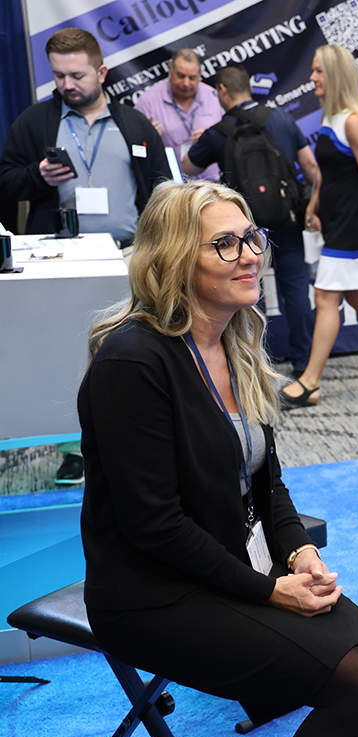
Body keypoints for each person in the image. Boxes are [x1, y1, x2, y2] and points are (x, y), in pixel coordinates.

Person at [79, 180, 358, 737]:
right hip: (149, 595)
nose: (250, 255)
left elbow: (268, 485)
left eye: (251, 238)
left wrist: (301, 555)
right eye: (224, 244)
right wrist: (270, 592)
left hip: (227, 567)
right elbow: (153, 525)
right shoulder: (133, 361)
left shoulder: (235, 341)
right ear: (176, 258)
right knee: (356, 680)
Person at [0, 26, 170, 486]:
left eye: (76, 75)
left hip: (130, 258)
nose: (66, 84)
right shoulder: (36, 122)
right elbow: (6, 180)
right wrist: (38, 177)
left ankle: (140, 442)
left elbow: (160, 189)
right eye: (58, 76)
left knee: (139, 355)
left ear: (102, 71)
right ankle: (73, 450)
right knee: (67, 356)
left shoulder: (134, 124)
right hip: (60, 260)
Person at [280, 44, 358, 408]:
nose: (312, 78)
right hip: (335, 222)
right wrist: (314, 206)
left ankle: (309, 382)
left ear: (335, 75)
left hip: (356, 226)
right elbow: (327, 175)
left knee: (325, 297)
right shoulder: (330, 117)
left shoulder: (355, 121)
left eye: (318, 71)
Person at [183, 64, 320, 377]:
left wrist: (200, 142)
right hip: (286, 221)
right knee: (297, 291)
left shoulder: (218, 132)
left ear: (221, 90)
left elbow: (188, 166)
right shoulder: (283, 118)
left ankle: (247, 361)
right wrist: (311, 205)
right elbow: (310, 166)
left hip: (242, 232)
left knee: (244, 293)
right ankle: (304, 365)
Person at [135, 48, 223, 183]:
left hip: (212, 186)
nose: (186, 84)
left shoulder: (214, 97)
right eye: (180, 76)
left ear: (200, 74)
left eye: (192, 78)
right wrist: (148, 137)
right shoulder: (147, 101)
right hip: (172, 191)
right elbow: (135, 149)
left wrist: (212, 137)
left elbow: (230, 141)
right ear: (170, 70)